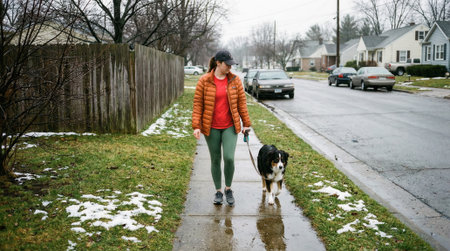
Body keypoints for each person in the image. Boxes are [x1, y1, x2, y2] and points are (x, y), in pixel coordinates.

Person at [192, 50, 251, 206]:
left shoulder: (235, 80)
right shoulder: (204, 81)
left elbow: (241, 104)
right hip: (211, 127)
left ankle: (228, 188)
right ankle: (218, 191)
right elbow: (198, 104)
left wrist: (246, 124)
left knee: (229, 158)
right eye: (227, 65)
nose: (229, 68)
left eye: (231, 65)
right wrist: (196, 126)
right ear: (218, 63)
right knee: (216, 159)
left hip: (230, 126)